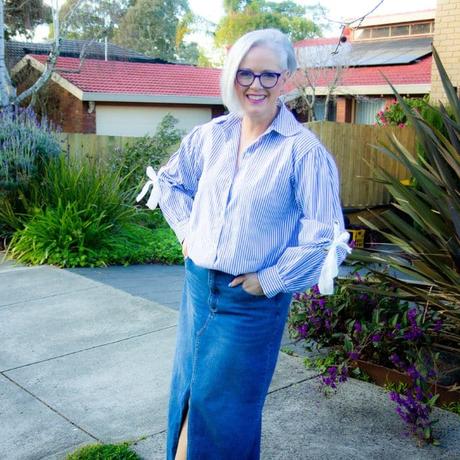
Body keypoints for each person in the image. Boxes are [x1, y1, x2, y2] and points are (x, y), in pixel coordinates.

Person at [138, 28, 350, 460]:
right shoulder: (210, 136)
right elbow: (172, 184)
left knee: (226, 413)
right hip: (197, 289)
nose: (256, 85)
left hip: (249, 303)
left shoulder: (303, 153)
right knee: (188, 396)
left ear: (286, 77)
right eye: (245, 73)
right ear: (232, 75)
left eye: (268, 75)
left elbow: (325, 236)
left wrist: (269, 280)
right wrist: (186, 232)